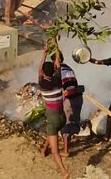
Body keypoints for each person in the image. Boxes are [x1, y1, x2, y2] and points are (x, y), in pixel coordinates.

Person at [38, 44, 70, 179]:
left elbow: (39, 70)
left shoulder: (42, 84)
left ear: (44, 73)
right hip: (62, 117)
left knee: (55, 151)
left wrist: (44, 52)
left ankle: (64, 173)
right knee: (52, 133)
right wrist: (56, 47)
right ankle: (43, 150)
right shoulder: (58, 80)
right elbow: (57, 64)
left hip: (52, 118)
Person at [55, 52, 84, 157]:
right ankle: (68, 145)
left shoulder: (58, 71)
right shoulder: (69, 69)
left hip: (69, 100)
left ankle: (66, 151)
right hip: (78, 98)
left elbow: (59, 89)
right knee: (73, 121)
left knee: (65, 124)